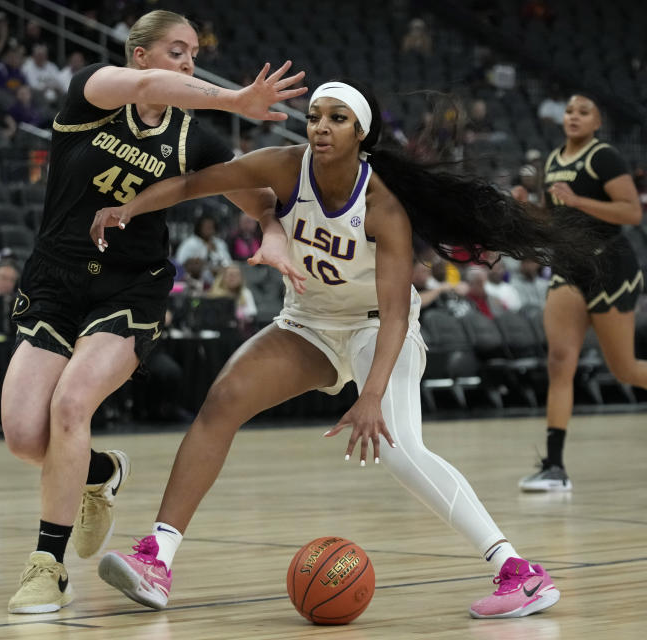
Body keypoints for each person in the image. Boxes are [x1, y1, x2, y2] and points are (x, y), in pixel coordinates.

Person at [90, 79, 613, 619]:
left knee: (399, 450)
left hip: (376, 329)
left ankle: (517, 571)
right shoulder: (283, 165)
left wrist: (371, 394)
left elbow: (394, 315)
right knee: (224, 400)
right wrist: (127, 208)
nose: (320, 126)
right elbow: (193, 184)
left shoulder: (383, 206)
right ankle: (158, 559)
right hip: (308, 323)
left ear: (362, 134)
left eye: (337, 118)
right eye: (315, 115)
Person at [0, 9, 308, 615]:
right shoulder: (93, 90)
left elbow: (257, 196)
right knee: (22, 435)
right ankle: (98, 472)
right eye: (176, 51)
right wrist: (235, 98)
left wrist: (271, 230)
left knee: (70, 406)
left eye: (193, 52)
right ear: (138, 55)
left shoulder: (195, 137)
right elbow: (145, 90)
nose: (188, 62)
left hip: (130, 288)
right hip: (57, 280)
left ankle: (46, 567)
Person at [518, 94, 647, 494]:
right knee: (559, 361)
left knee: (625, 368)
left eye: (583, 111)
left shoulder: (603, 157)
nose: (573, 116)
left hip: (610, 266)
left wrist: (580, 201)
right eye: (569, 111)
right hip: (571, 265)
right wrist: (525, 208)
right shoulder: (553, 161)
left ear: (597, 123)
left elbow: (632, 212)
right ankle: (554, 465)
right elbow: (552, 215)